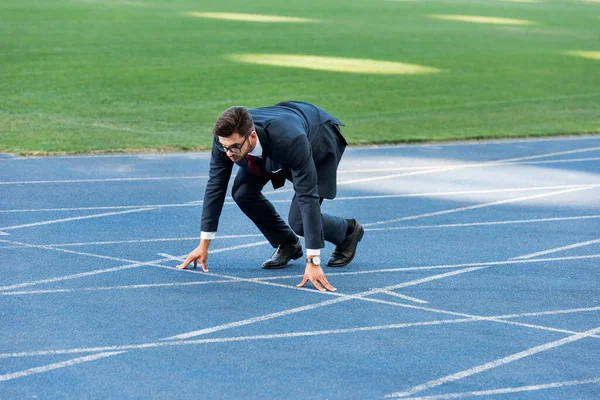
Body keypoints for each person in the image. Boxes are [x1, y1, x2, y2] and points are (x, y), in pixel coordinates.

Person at [177, 101, 363, 292]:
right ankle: (287, 243)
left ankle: (348, 231)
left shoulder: (291, 140)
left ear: (252, 135)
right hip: (274, 143)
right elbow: (215, 186)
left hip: (318, 141)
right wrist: (203, 245)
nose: (228, 154)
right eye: (225, 147)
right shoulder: (225, 141)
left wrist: (313, 261)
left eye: (233, 147)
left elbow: (307, 197)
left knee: (298, 220)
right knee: (243, 193)